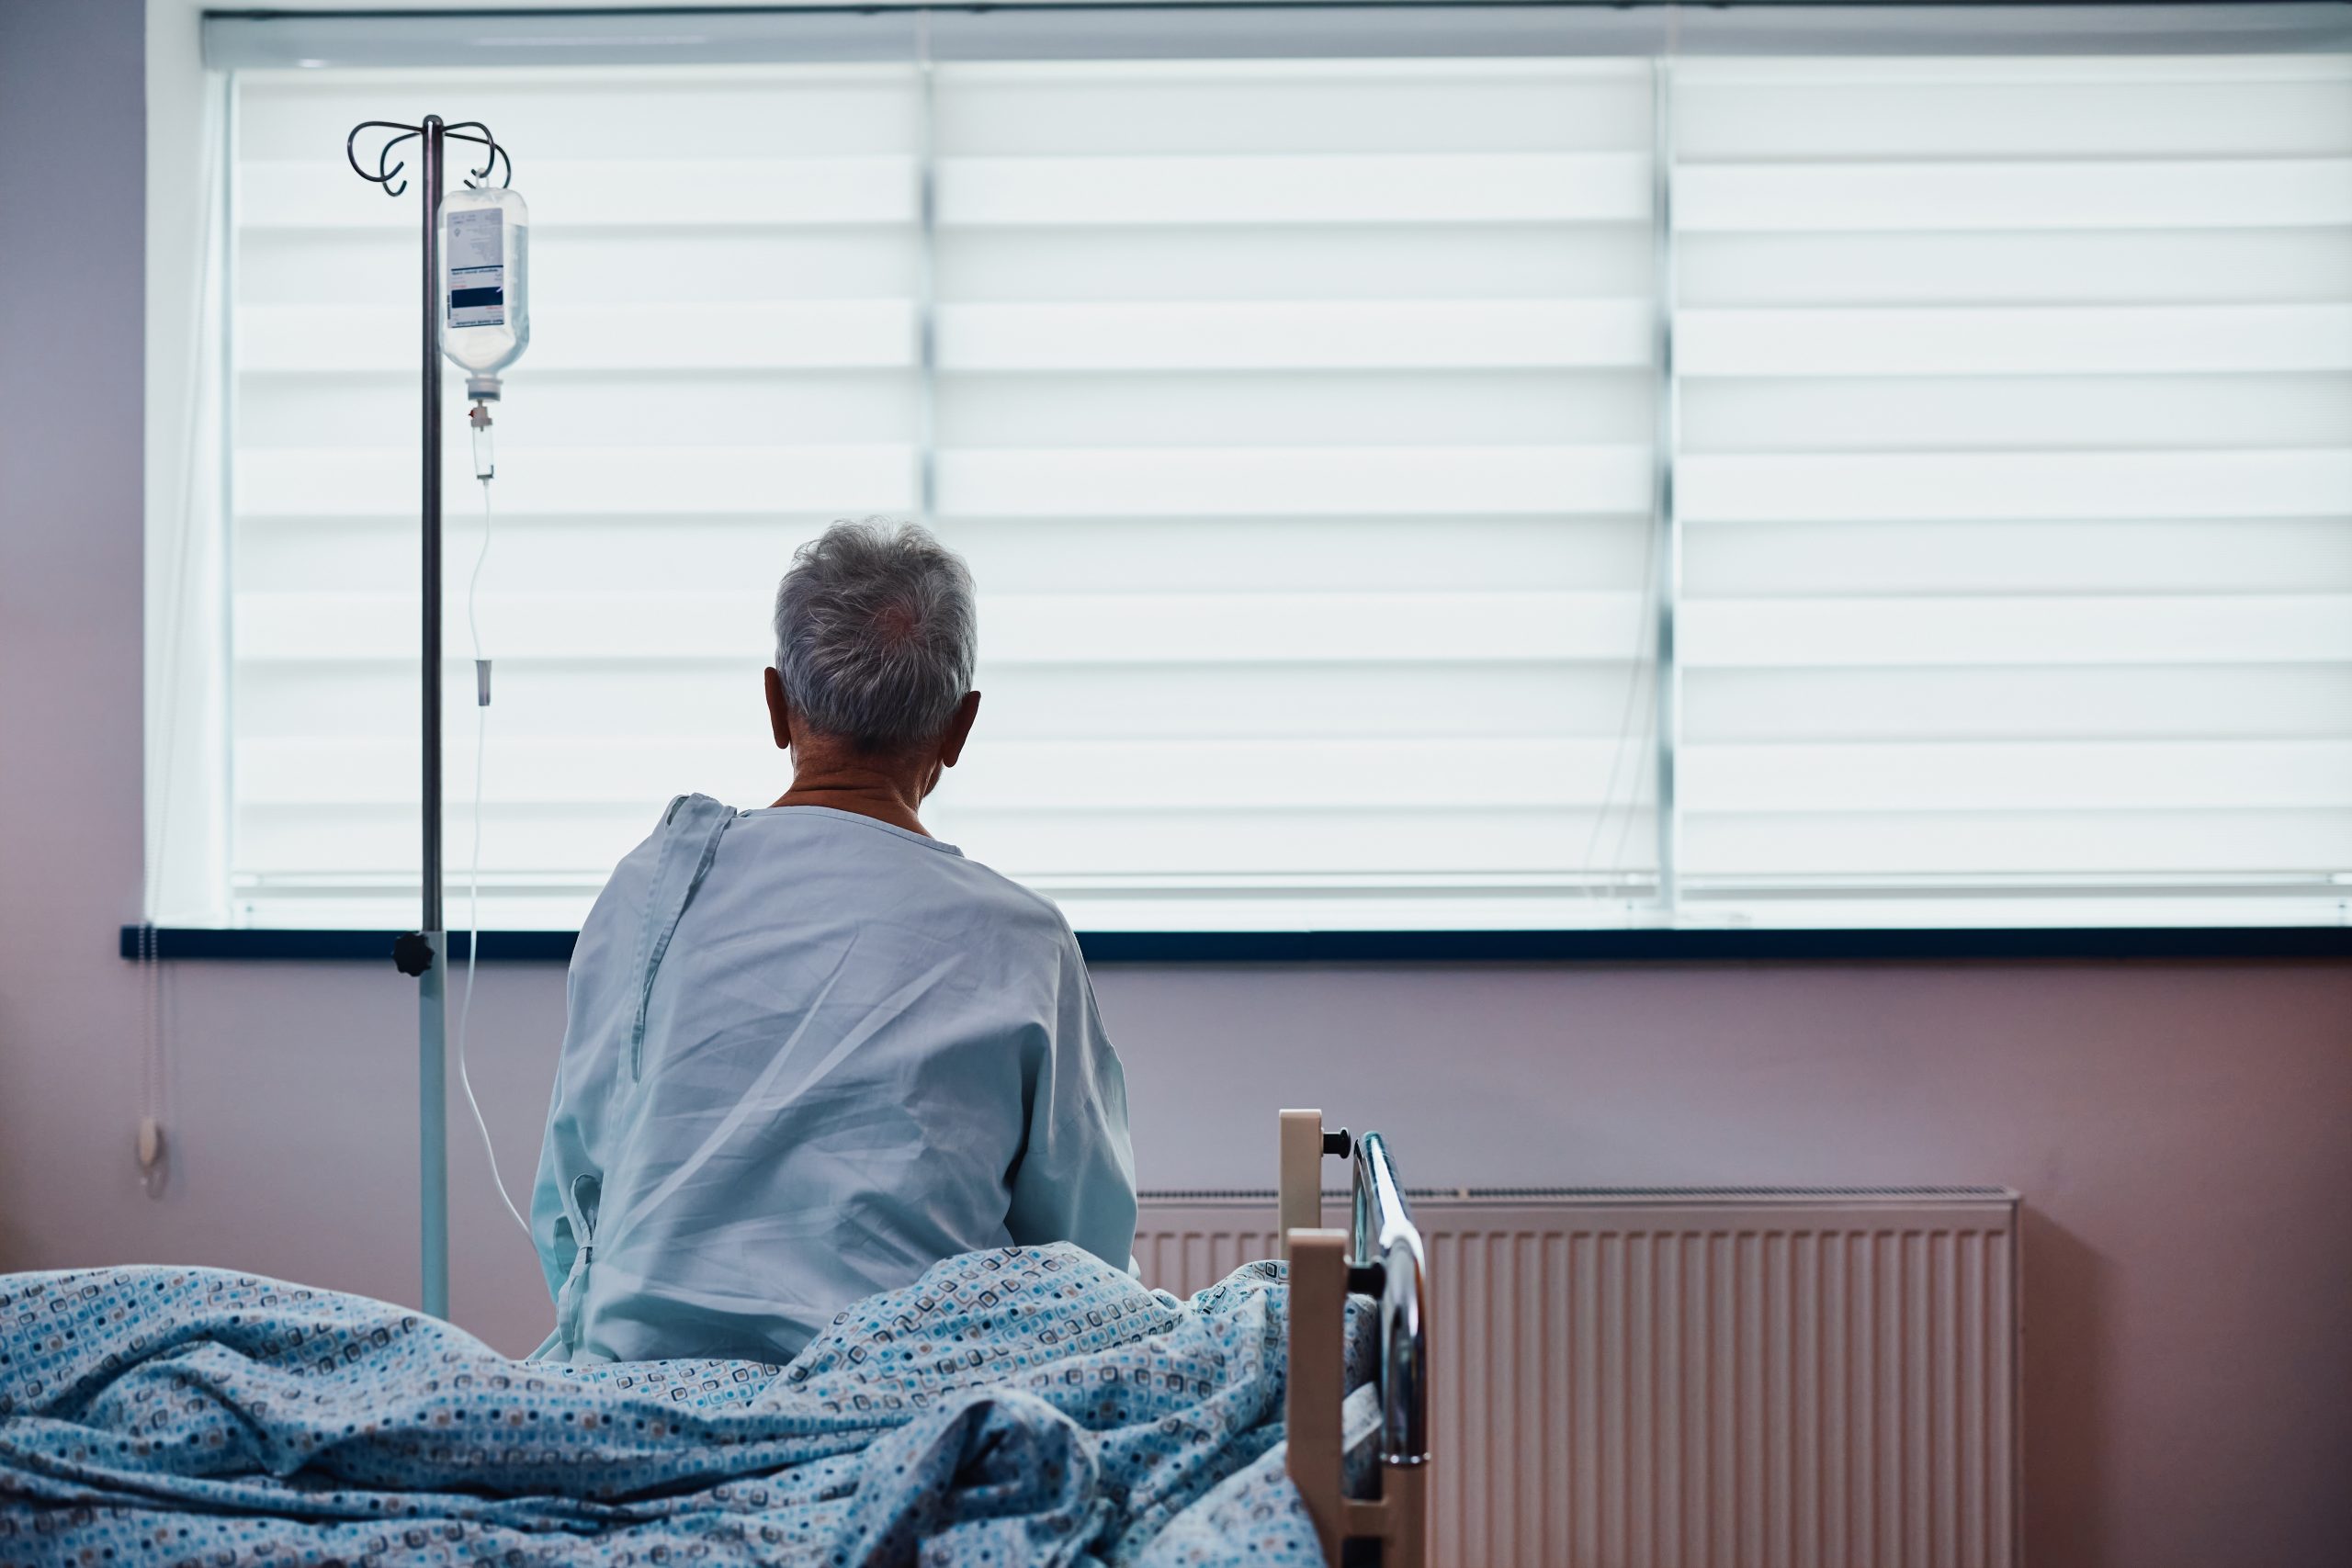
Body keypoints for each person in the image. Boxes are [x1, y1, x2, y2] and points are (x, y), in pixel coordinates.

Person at [530, 520, 1136, 1364]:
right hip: (905, 1410)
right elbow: (1083, 1257)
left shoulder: (651, 891)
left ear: (778, 706)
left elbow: (573, 1203)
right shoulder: (1025, 945)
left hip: (638, 1393)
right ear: (960, 731)